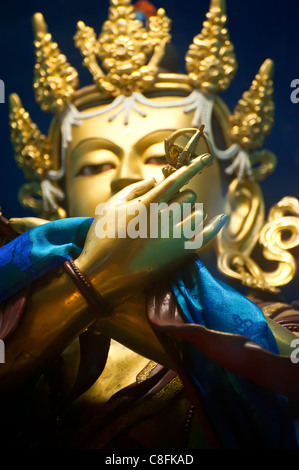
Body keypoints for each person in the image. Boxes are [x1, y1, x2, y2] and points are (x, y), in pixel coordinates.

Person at [0, 0, 298, 449]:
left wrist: (98, 284)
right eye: (95, 164)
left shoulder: (279, 329)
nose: (125, 177)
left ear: (239, 203)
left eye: (165, 156)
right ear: (51, 201)